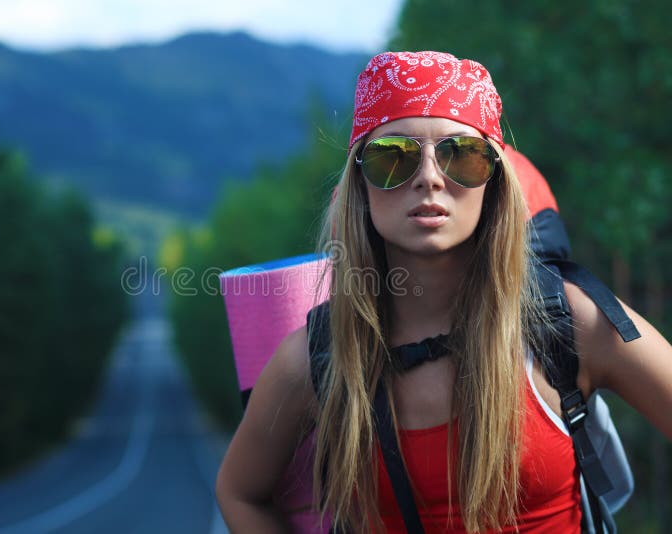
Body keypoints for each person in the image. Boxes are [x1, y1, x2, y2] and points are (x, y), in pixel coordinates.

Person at [215, 51, 672, 533]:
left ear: (494, 181)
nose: (430, 177)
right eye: (393, 156)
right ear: (359, 184)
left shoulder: (566, 324)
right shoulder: (319, 359)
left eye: (462, 155)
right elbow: (240, 492)